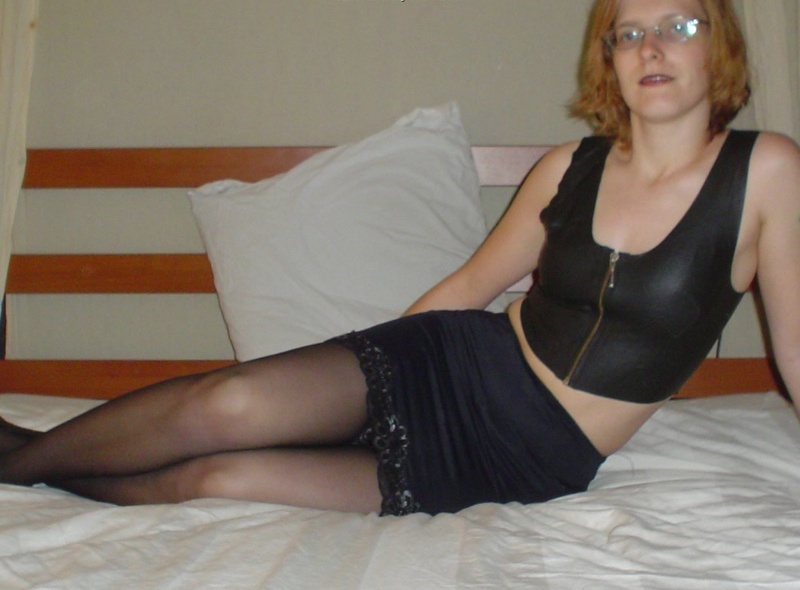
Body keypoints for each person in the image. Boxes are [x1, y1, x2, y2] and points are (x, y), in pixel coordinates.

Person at [1, 0, 799, 516]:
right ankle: (17, 463)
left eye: (680, 26)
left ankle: (19, 458)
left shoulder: (765, 172)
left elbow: (795, 348)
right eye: (629, 32)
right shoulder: (569, 168)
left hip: (526, 456)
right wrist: (368, 371)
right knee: (229, 407)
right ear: (610, 57)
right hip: (453, 362)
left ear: (719, 44)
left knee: (223, 479)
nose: (652, 47)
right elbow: (472, 285)